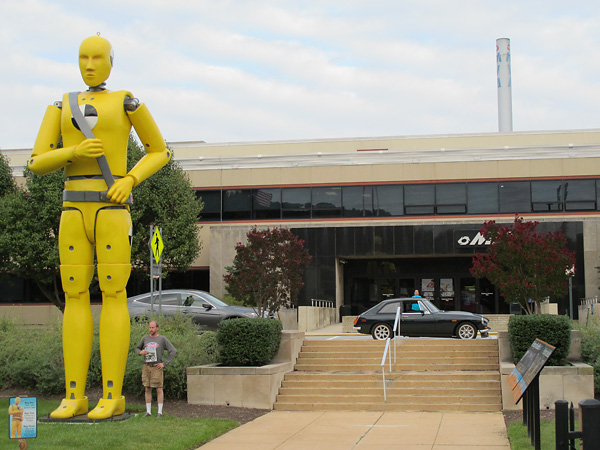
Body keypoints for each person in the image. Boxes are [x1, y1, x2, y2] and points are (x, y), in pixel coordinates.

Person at [28, 35, 171, 419]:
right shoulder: (61, 104)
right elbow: (37, 161)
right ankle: (73, 395)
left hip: (110, 208)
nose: (89, 64)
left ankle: (112, 395)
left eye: (97, 57)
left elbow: (160, 150)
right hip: (72, 208)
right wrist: (72, 152)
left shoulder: (126, 101)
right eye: (82, 57)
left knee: (113, 293)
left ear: (111, 61)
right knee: (74, 295)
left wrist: (130, 179)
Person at [136, 321, 177, 417]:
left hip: (156, 367)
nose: (151, 329)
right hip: (146, 366)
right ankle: (148, 411)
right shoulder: (145, 338)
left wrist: (164, 363)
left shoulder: (162, 339)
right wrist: (140, 352)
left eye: (153, 327)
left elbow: (173, 351)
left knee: (159, 388)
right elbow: (137, 349)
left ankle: (160, 412)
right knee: (147, 388)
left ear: (157, 328)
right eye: (150, 327)